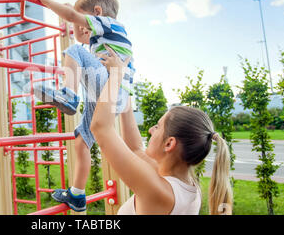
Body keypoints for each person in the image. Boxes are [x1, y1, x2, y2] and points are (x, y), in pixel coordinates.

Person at [91, 46, 233, 215]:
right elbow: (135, 148)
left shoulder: (158, 191)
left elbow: (101, 127)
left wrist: (115, 76)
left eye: (158, 127)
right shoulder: (185, 186)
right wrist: (125, 87)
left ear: (169, 143)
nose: (151, 130)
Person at [33, 0, 135, 212]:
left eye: (85, 21)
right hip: (110, 96)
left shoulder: (106, 22)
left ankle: (69, 95)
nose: (81, 29)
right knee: (82, 139)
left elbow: (74, 23)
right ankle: (77, 195)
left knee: (74, 51)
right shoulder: (106, 36)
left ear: (97, 12)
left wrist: (49, 2)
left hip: (109, 83)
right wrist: (71, 15)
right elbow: (80, 32)